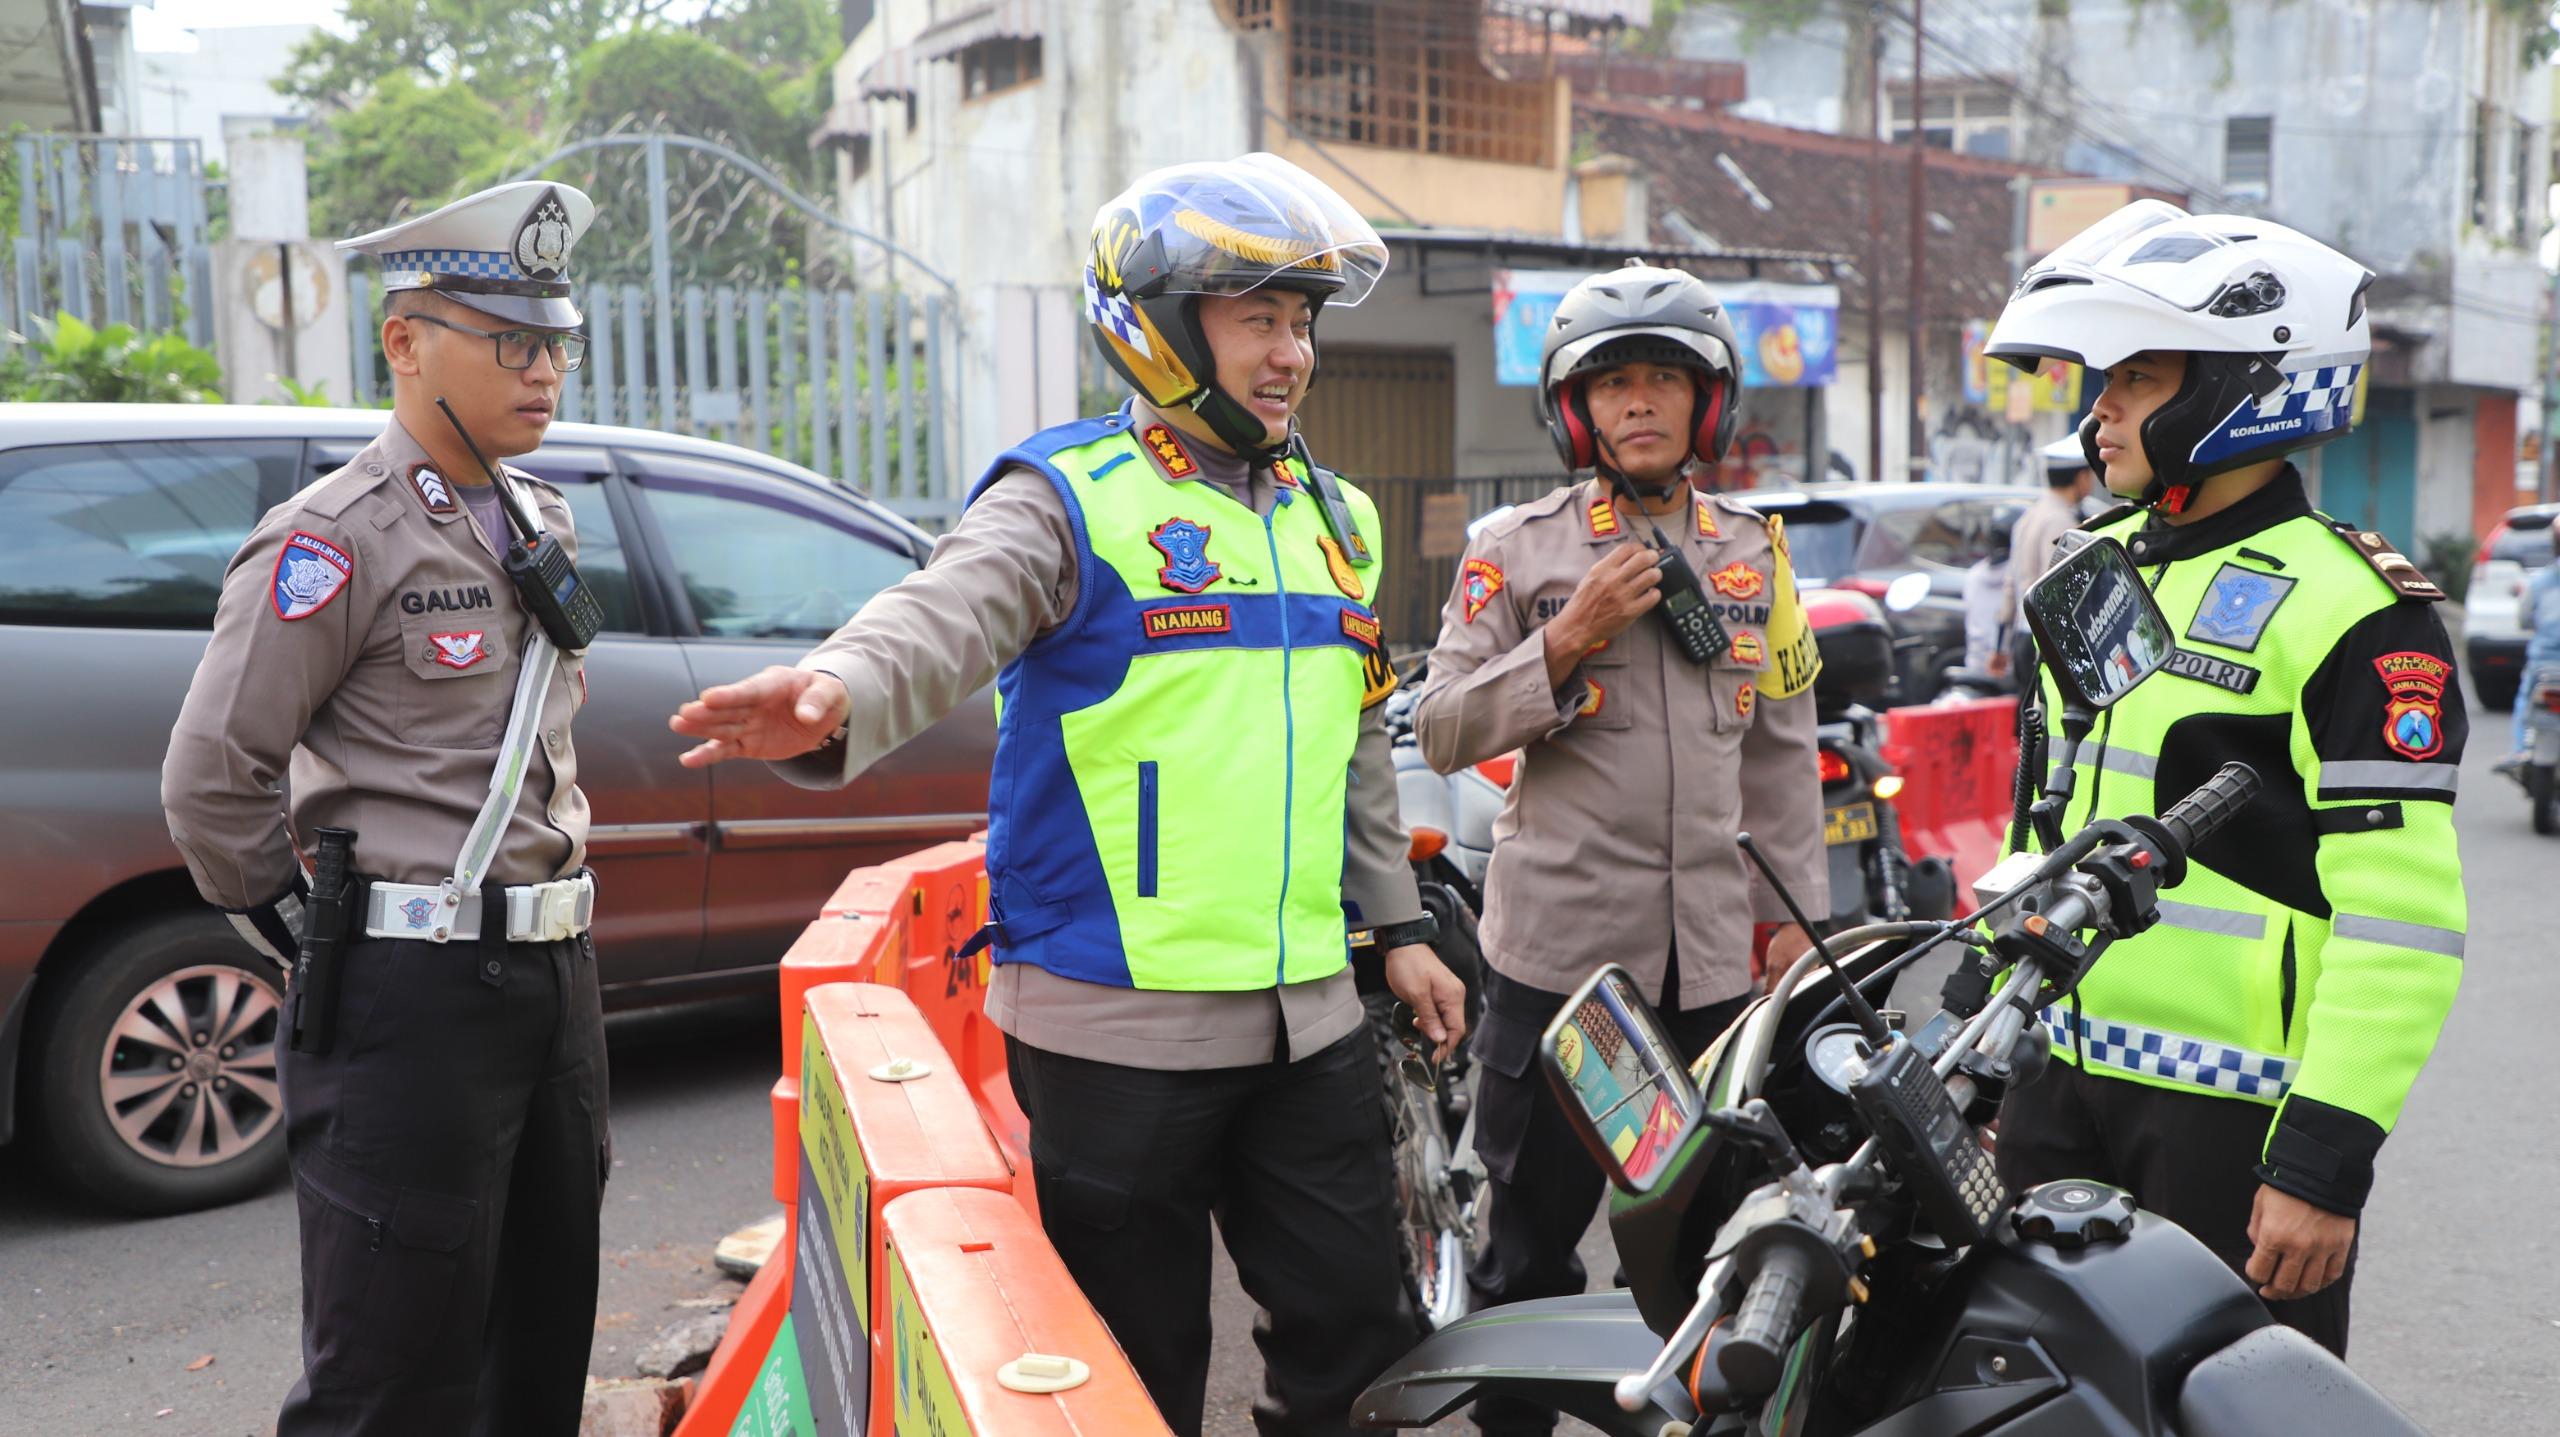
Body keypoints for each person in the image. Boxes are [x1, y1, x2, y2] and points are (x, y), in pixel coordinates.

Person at [664, 154, 1465, 1437]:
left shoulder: (1339, 517)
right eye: (1256, 316)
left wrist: (1402, 930)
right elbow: (943, 612)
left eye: (1303, 321)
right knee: (1132, 1367)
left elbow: (1353, 741)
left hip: (1310, 1018)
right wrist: (834, 689)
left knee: (1360, 1335)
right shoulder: (1068, 497)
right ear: (1155, 327)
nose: (1291, 354)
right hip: (1112, 1029)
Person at [1983, 199, 2466, 1358]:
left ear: (2242, 387)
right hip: (2053, 1081)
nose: (2097, 410)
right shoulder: (2089, 566)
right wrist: (1994, 1056)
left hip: (2234, 1124)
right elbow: (2041, 820)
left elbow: (2403, 921)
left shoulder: (2359, 611)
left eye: (2136, 378)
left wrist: (2322, 1162)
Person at [161, 182, 606, 1434]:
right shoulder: (332, 542)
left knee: (539, 1346)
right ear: (405, 342)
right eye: (509, 341)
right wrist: (310, 931)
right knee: (394, 1374)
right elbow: (211, 781)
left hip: (555, 980)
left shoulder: (539, 518)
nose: (543, 371)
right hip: (410, 996)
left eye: (555, 342)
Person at [1409, 262, 1827, 1437]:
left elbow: (1782, 743)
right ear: (1572, 411)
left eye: (1663, 380)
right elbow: (1439, 724)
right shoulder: (1518, 550)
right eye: (1612, 384)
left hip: (1711, 982)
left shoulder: (1757, 553)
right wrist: (1567, 640)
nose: (1638, 403)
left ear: (1707, 405)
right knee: (1528, 1253)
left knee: (1711, 1261)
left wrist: (1795, 926)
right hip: (1557, 977)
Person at [2003, 434, 2097, 672]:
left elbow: (2010, 581)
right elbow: (2058, 587)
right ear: (2081, 477)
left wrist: (2001, 641)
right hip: (2043, 639)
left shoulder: (2031, 515)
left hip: (2023, 632)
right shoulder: (2060, 521)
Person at [2496, 523, 2560, 772]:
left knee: (2525, 700)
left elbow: (2524, 619)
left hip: (2544, 663)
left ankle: (2521, 750)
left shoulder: (2542, 580)